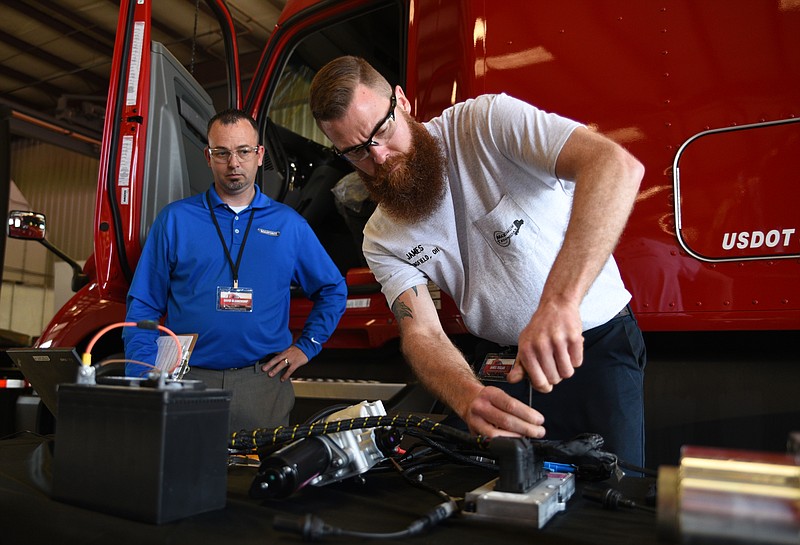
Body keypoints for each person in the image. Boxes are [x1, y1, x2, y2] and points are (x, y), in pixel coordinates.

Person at [309, 56, 647, 467]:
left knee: (613, 502)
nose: (378, 157)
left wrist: (560, 302)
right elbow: (423, 334)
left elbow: (615, 165)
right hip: (499, 365)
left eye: (382, 130)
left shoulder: (485, 123)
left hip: (592, 347)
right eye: (356, 151)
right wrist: (467, 397)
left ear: (402, 100)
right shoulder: (381, 236)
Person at [123, 108, 347, 432]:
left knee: (257, 479)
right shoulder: (175, 220)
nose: (233, 164)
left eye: (243, 151)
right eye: (222, 153)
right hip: (187, 379)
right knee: (182, 477)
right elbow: (143, 303)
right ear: (208, 156)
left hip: (262, 383)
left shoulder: (289, 226)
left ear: (259, 155)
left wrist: (307, 345)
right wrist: (143, 372)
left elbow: (332, 289)